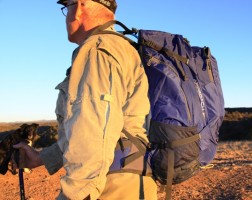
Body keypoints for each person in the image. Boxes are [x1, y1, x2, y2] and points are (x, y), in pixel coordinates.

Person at [13, 0, 158, 199]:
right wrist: (40, 158)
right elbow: (96, 129)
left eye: (67, 7)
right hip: (130, 179)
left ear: (80, 5)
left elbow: (93, 137)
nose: (66, 16)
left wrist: (75, 194)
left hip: (112, 186)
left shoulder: (97, 50)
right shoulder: (120, 47)